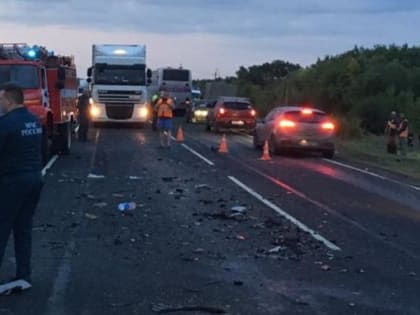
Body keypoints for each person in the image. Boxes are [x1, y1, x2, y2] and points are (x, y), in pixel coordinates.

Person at [0, 83, 44, 293]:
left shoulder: (6, 124)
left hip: (12, 181)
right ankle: (23, 275)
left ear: (9, 100)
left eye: (1, 99)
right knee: (23, 229)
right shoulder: (33, 121)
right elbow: (43, 150)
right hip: (35, 178)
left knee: (2, 228)